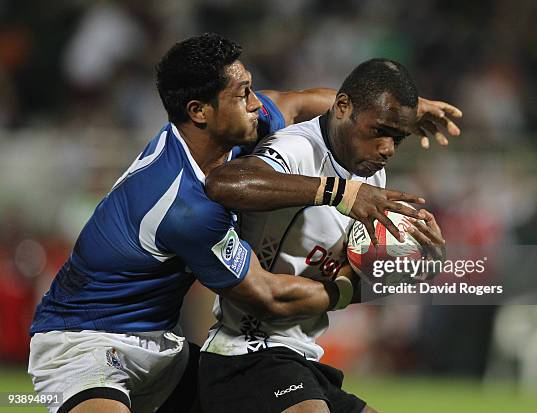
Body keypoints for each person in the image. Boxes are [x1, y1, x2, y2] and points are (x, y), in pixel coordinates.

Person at [27, 34, 458, 413]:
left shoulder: (230, 132)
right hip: (84, 341)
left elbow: (301, 101)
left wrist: (400, 108)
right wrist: (361, 283)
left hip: (165, 348)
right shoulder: (186, 203)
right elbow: (266, 297)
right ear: (200, 111)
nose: (258, 103)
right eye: (244, 94)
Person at [199, 58, 447, 413]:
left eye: (398, 138)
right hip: (247, 351)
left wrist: (413, 268)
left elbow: (346, 280)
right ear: (343, 107)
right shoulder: (299, 149)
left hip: (302, 356)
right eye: (380, 131)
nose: (388, 149)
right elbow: (227, 183)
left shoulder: (370, 173)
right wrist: (339, 192)